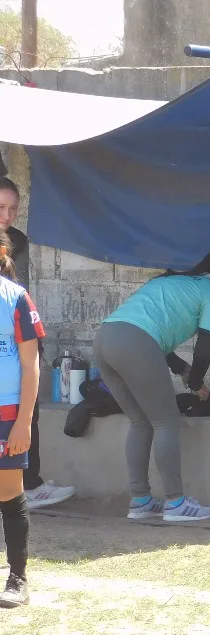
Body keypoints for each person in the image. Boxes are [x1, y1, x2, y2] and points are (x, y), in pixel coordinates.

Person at [93, 243, 210, 523]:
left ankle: (140, 500)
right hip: (135, 343)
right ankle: (176, 503)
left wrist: (183, 370)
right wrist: (196, 382)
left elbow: (152, 333)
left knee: (140, 422)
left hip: (105, 339)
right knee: (166, 421)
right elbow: (204, 348)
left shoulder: (177, 280)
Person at [0, 177, 75, 510]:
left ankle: (30, 483)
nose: (7, 215)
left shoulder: (16, 242)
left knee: (27, 415)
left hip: (17, 347)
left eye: (13, 209)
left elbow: (18, 294)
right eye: (1, 208)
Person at [0, 232, 43, 608]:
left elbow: (31, 366)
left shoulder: (15, 298)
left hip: (7, 414)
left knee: (8, 492)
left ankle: (17, 578)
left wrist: (23, 422)